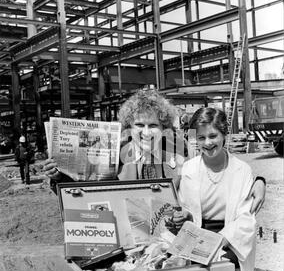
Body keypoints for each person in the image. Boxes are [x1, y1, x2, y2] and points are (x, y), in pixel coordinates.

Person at [43, 89, 266, 214]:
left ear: (164, 128)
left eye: (153, 126)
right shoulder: (115, 154)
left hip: (169, 231)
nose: (147, 133)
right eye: (140, 125)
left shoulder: (179, 152)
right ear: (130, 127)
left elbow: (214, 167)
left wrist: (257, 180)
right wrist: (59, 176)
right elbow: (87, 192)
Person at [178, 107, 257, 271]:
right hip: (197, 235)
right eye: (201, 138)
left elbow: (246, 217)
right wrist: (183, 216)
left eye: (213, 136)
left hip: (228, 237)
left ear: (224, 135)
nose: (208, 143)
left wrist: (221, 240)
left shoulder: (242, 170)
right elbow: (185, 208)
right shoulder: (188, 169)